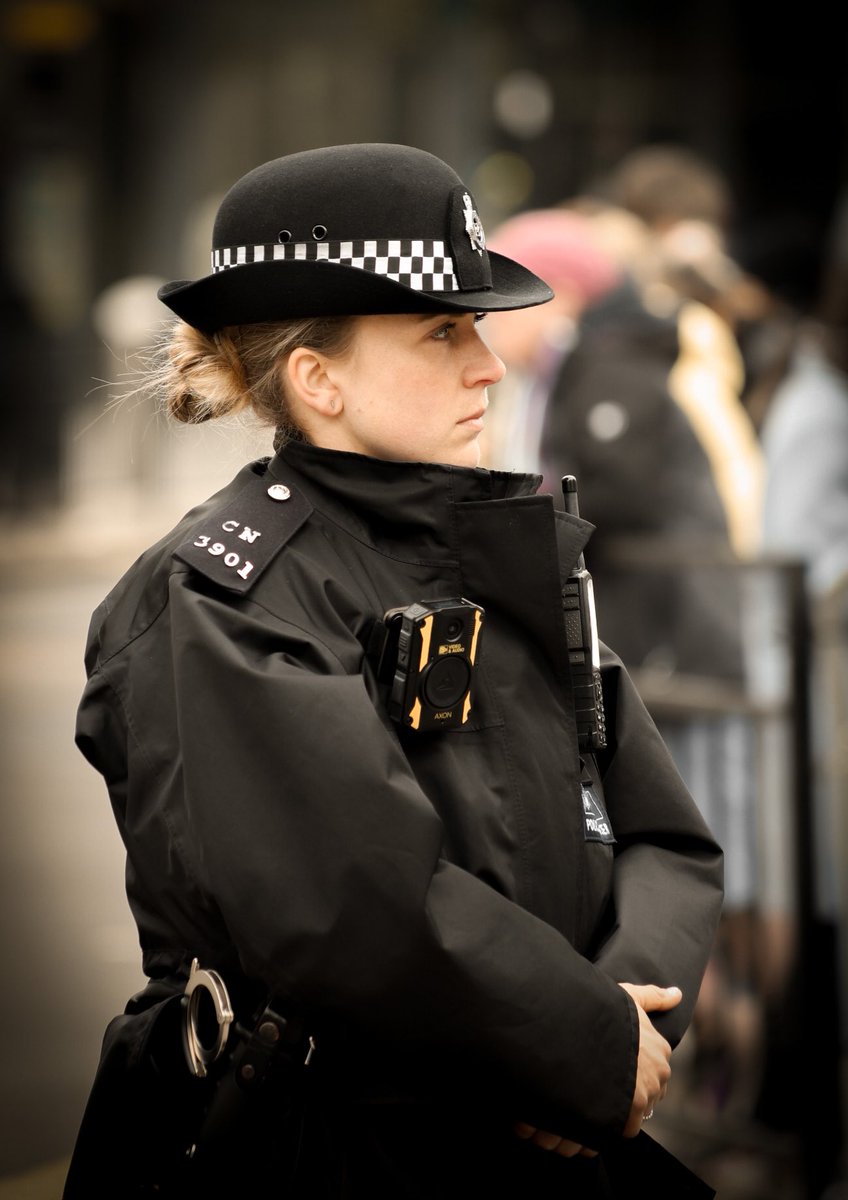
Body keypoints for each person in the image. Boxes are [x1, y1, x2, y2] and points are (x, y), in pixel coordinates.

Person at [63, 143, 723, 1199]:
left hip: (544, 1127)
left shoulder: (493, 549)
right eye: (441, 330)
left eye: (478, 325)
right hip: (329, 1148)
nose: (489, 363)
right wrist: (572, 1046)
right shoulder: (218, 595)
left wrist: (611, 1029)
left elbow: (656, 828)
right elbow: (355, 902)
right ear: (315, 378)